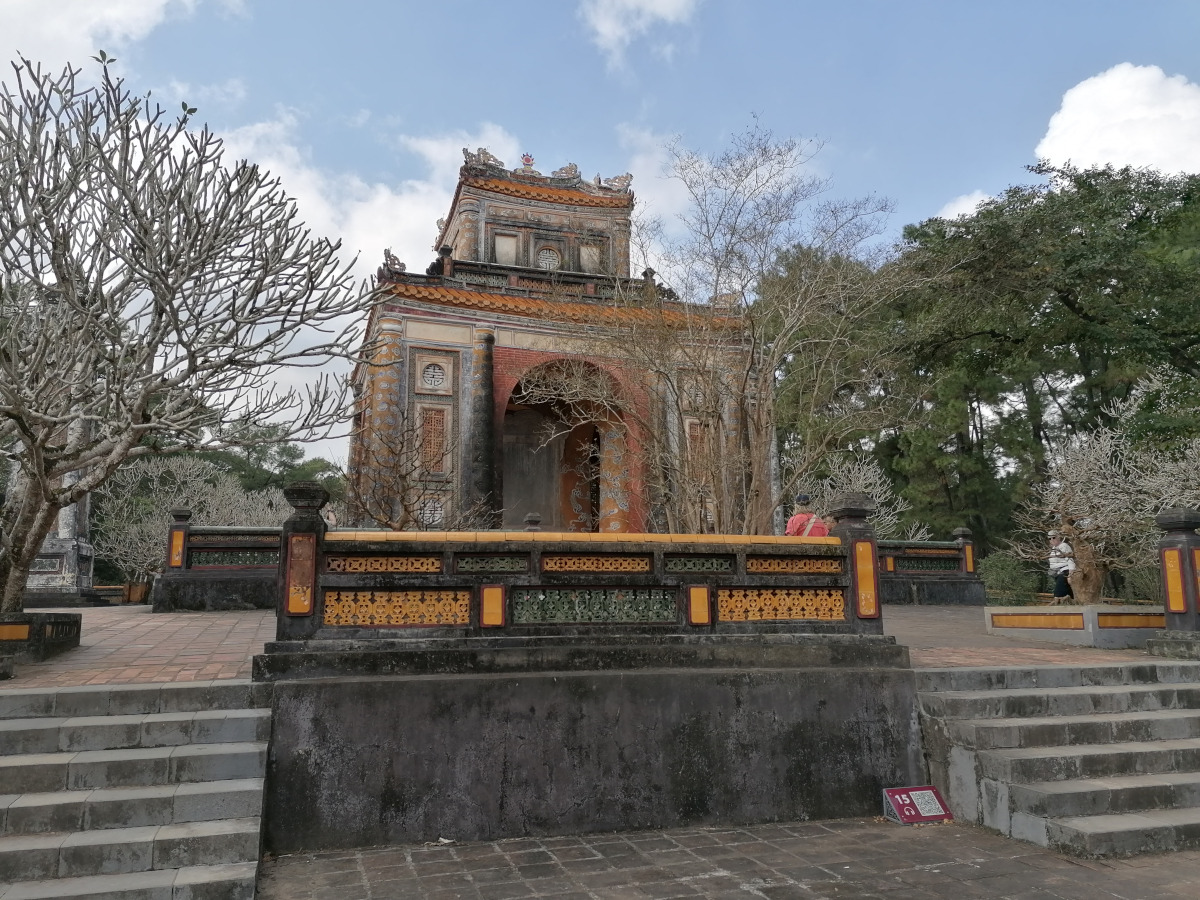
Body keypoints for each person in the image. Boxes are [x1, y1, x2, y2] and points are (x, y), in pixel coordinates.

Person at [1048, 530, 1075, 601]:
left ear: (1058, 537)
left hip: (1064, 572)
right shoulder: (1054, 548)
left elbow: (1070, 560)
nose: (1052, 540)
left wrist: (1070, 575)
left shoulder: (1064, 546)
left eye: (1053, 537)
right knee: (1068, 593)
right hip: (1057, 573)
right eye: (1049, 538)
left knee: (1058, 594)